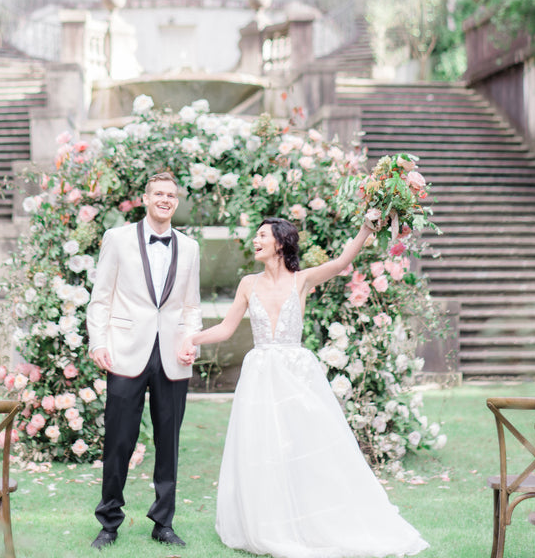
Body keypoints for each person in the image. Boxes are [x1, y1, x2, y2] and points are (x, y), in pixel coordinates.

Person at [178, 216, 428, 558]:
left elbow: (341, 263)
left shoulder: (302, 280)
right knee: (262, 447)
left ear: (280, 242)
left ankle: (312, 518)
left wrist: (367, 229)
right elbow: (225, 327)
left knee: (305, 443)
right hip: (260, 376)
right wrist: (193, 338)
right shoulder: (248, 284)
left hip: (296, 373)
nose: (255, 240)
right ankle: (270, 522)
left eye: (262, 235)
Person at [86, 171, 202, 550]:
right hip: (124, 351)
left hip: (173, 356)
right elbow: (101, 296)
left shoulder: (190, 247)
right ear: (146, 198)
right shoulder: (117, 238)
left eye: (171, 195)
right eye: (159, 194)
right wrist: (98, 342)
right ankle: (109, 522)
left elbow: (191, 306)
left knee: (168, 442)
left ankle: (163, 522)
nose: (165, 199)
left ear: (176, 201)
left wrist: (191, 343)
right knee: (119, 440)